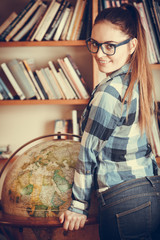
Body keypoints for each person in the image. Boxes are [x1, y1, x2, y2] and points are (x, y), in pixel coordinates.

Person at [59, 3, 160, 240]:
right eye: (94, 43)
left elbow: (88, 153)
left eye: (110, 46)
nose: (99, 53)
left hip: (123, 200)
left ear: (132, 45)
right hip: (150, 191)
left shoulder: (109, 92)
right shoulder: (138, 82)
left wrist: (78, 206)